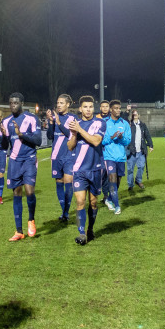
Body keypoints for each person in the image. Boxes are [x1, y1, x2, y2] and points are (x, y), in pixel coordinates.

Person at [1, 93, 42, 241]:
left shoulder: (31, 118)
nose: (13, 106)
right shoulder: (6, 122)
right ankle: (19, 231)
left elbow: (38, 140)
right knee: (16, 193)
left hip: (29, 159)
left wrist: (21, 134)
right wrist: (4, 136)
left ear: (22, 103)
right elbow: (4, 146)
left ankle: (31, 219)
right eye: (11, 103)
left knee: (29, 192)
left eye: (16, 103)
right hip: (14, 161)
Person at [67, 96, 107, 245]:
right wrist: (74, 134)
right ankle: (82, 233)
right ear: (80, 109)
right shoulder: (75, 125)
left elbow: (96, 141)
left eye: (90, 106)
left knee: (93, 202)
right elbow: (70, 146)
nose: (88, 109)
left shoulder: (100, 123)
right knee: (80, 201)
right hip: (79, 170)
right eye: (85, 107)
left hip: (96, 168)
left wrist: (79, 130)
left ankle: (90, 229)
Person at [46, 94, 77, 222]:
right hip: (56, 155)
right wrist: (52, 122)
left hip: (69, 155)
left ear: (68, 104)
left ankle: (65, 212)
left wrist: (59, 123)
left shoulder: (73, 118)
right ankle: (64, 212)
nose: (58, 105)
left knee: (68, 183)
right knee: (59, 183)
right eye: (57, 103)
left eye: (61, 103)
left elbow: (71, 135)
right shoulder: (53, 117)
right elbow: (49, 136)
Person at [102, 100, 131, 215]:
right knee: (112, 180)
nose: (118, 110)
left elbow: (127, 141)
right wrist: (111, 137)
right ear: (110, 109)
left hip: (121, 157)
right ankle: (117, 206)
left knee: (117, 182)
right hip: (108, 157)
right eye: (116, 108)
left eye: (119, 108)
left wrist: (121, 138)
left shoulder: (124, 123)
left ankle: (109, 199)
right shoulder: (104, 123)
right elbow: (100, 141)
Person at [126, 109, 154, 191]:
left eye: (136, 114)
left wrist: (150, 145)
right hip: (131, 151)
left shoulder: (142, 125)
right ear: (131, 116)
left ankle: (138, 180)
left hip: (141, 151)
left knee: (141, 166)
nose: (135, 115)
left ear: (139, 115)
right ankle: (130, 184)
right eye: (133, 114)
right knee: (130, 169)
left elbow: (147, 135)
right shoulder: (129, 125)